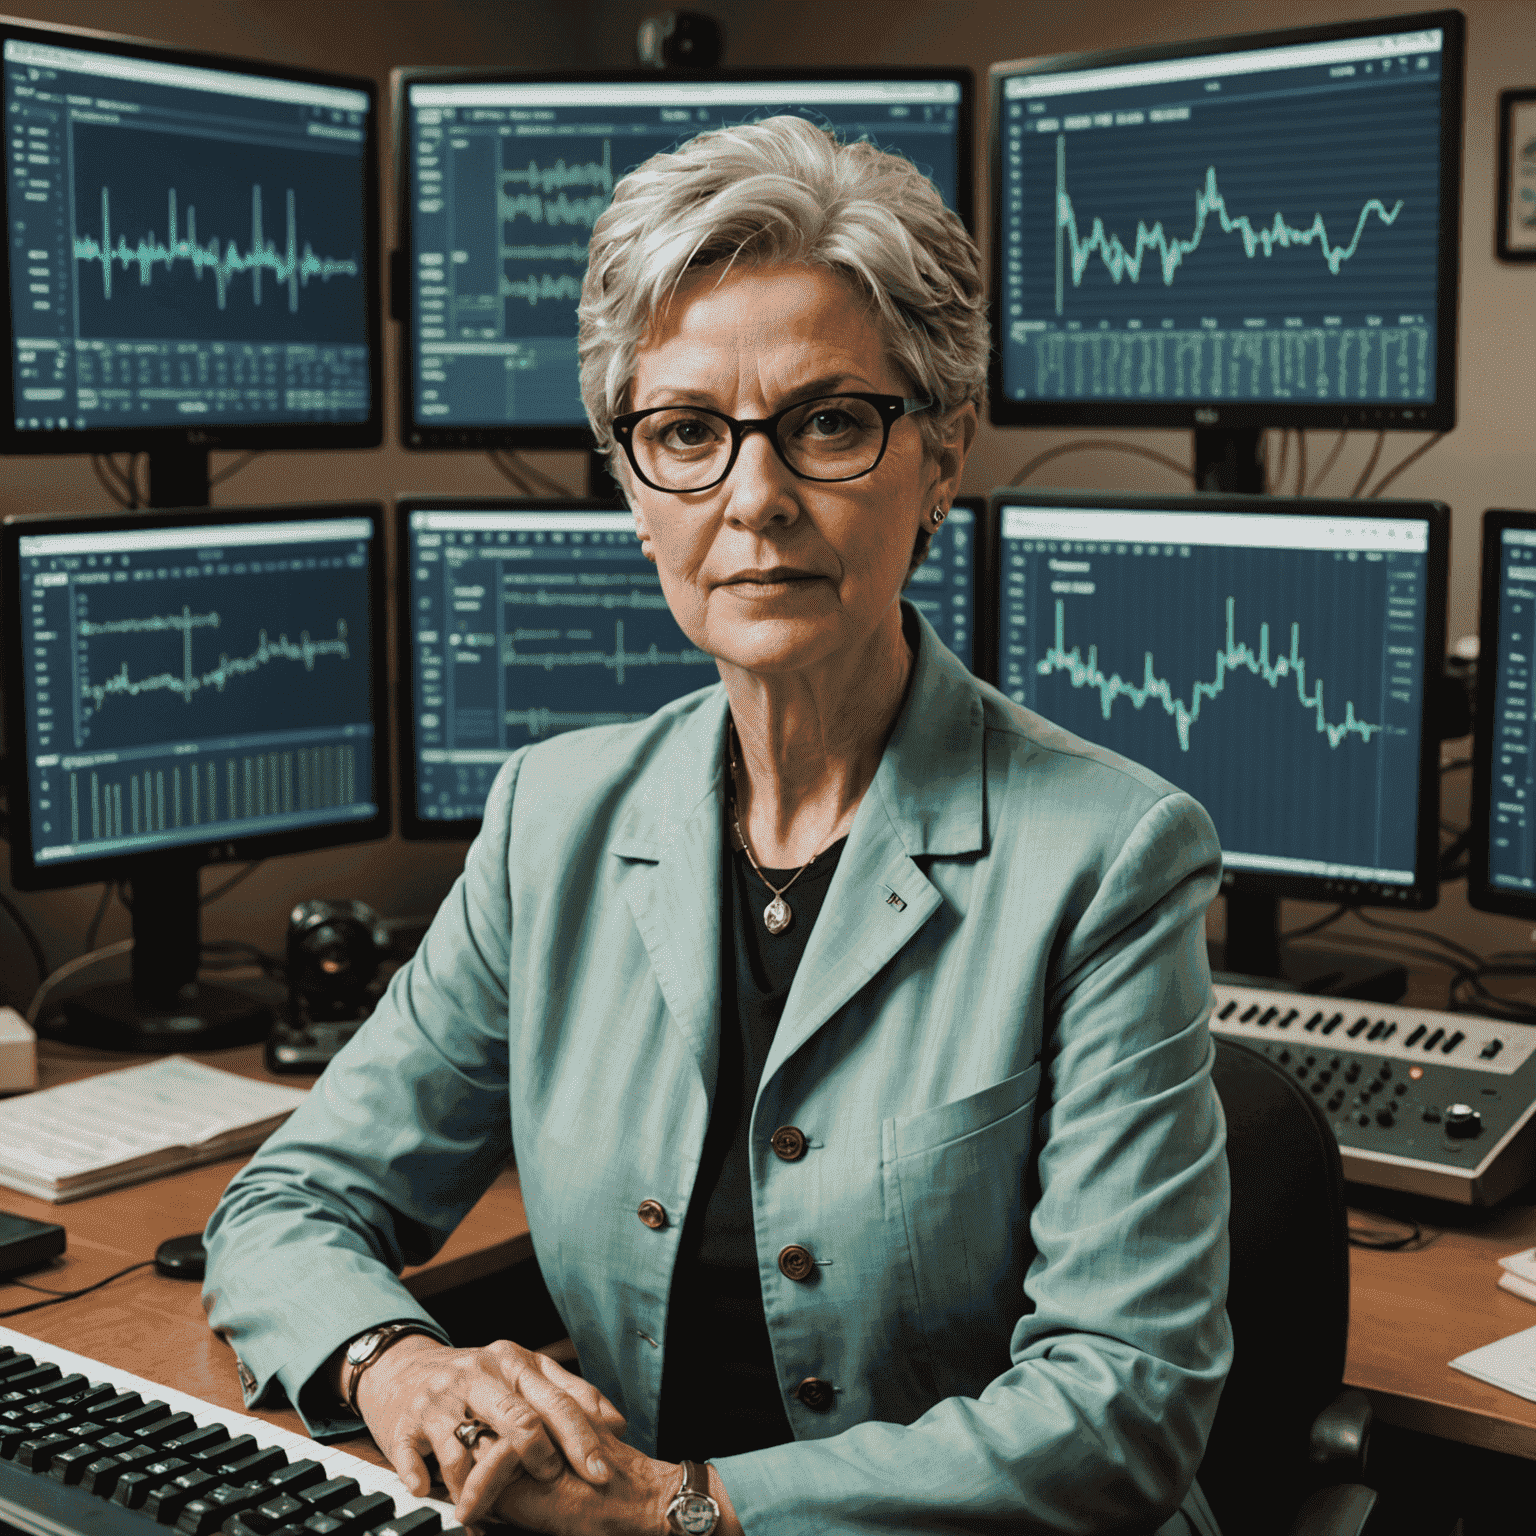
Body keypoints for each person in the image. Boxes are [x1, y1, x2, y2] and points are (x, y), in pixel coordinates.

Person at [204, 115, 1230, 1536]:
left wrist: (682, 1514)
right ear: (633, 487)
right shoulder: (551, 819)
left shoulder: (1110, 856)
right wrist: (400, 1369)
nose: (755, 499)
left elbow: (1123, 1406)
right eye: (685, 432)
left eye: (827, 423)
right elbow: (289, 1207)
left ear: (941, 459)